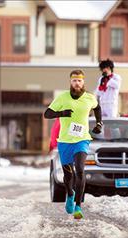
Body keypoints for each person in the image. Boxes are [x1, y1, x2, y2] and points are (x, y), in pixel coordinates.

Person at [44, 70, 103, 219]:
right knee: (68, 175)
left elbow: (97, 108)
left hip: (82, 139)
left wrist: (99, 123)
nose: (77, 83)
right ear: (70, 82)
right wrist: (62, 113)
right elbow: (47, 113)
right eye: (74, 81)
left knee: (80, 170)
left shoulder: (89, 98)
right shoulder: (62, 98)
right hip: (64, 141)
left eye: (79, 81)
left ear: (83, 82)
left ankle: (78, 206)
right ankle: (70, 193)